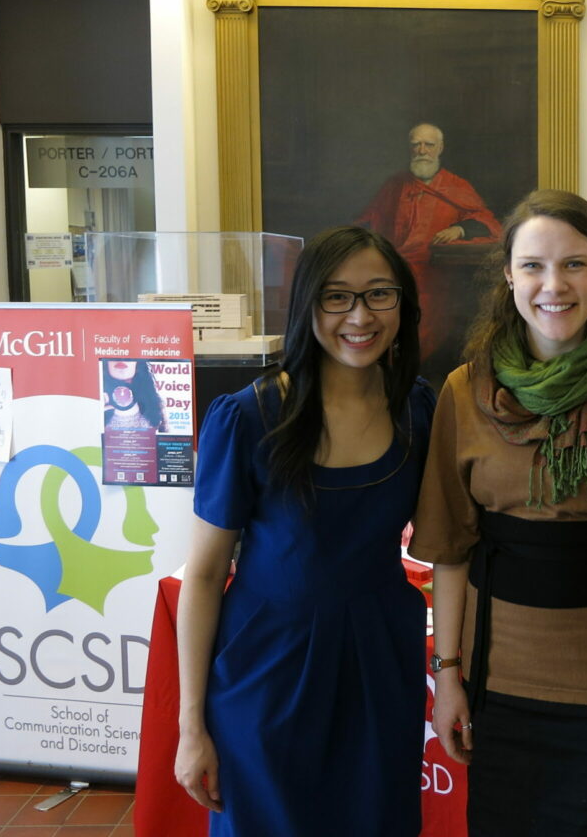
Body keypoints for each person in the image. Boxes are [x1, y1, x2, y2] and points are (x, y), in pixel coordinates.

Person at [409, 190, 587, 837]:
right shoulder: (464, 389)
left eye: (574, 264)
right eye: (534, 266)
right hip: (497, 685)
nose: (553, 285)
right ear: (508, 273)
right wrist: (448, 678)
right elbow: (452, 549)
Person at [174, 226, 434, 836]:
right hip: (269, 667)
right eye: (336, 297)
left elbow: (448, 547)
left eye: (379, 295)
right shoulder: (247, 417)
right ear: (307, 305)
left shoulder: (418, 410)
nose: (360, 316)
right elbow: (206, 575)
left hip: (379, 660)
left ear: (403, 304)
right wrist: (192, 726)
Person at [356, 122, 502, 364]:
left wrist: (460, 228)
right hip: (390, 268)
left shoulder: (457, 186)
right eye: (416, 145)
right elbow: (369, 220)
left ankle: (414, 367)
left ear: (440, 148)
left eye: (429, 145)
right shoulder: (394, 185)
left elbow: (487, 221)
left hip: (434, 274)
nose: (422, 150)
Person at [102, 359, 165, 431]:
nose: (122, 356)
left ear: (138, 362)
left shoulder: (156, 406)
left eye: (130, 351)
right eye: (114, 349)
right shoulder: (95, 400)